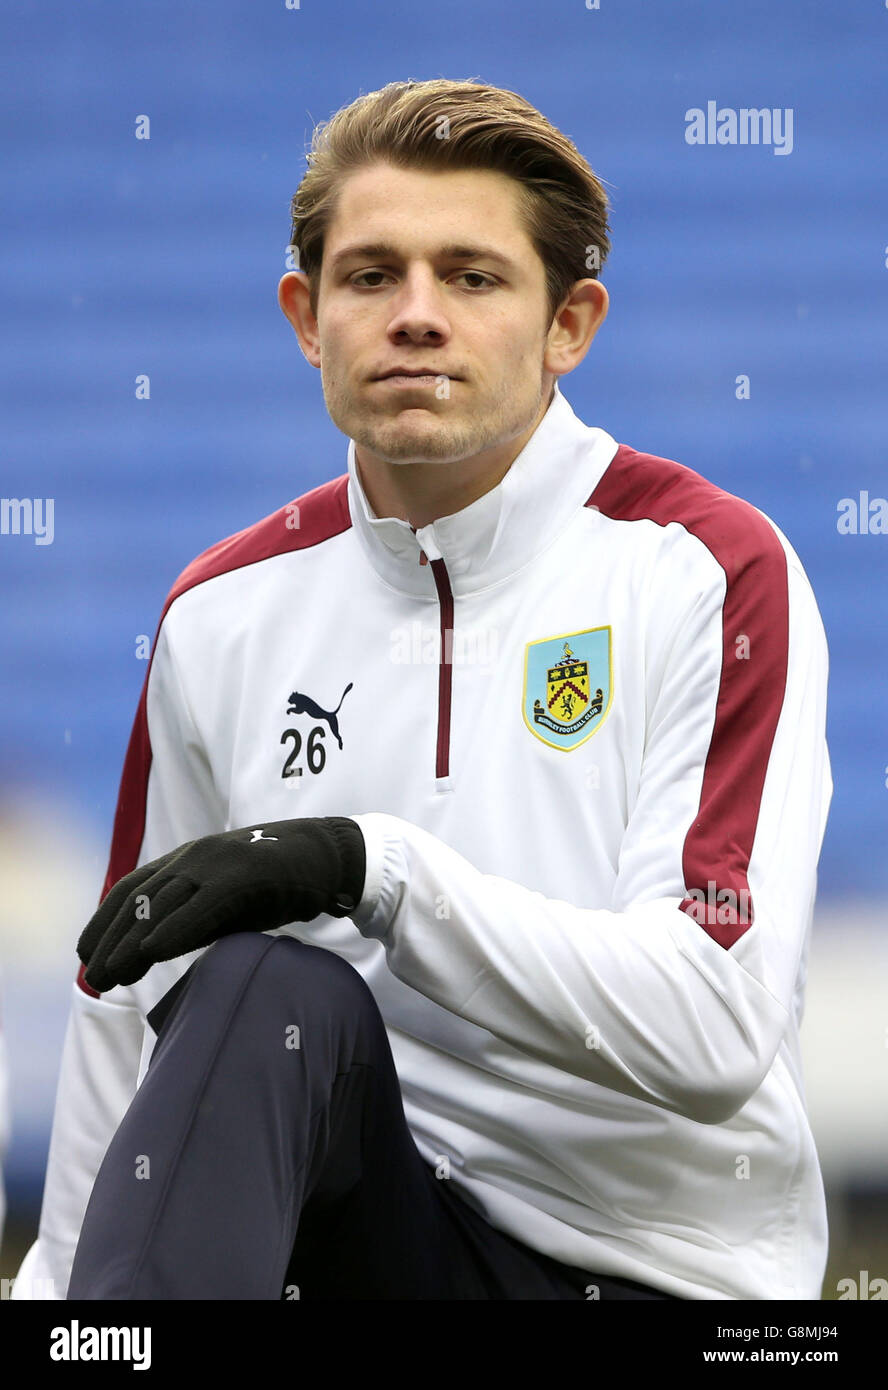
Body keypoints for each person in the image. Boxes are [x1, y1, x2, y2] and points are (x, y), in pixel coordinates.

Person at [13, 76, 831, 1301]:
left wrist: (372, 868)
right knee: (251, 988)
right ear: (306, 315)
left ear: (572, 324)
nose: (416, 316)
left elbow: (715, 1024)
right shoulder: (220, 614)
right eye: (370, 275)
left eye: (473, 276)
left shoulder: (706, 571)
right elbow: (127, 1006)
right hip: (361, 1246)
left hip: (654, 1275)